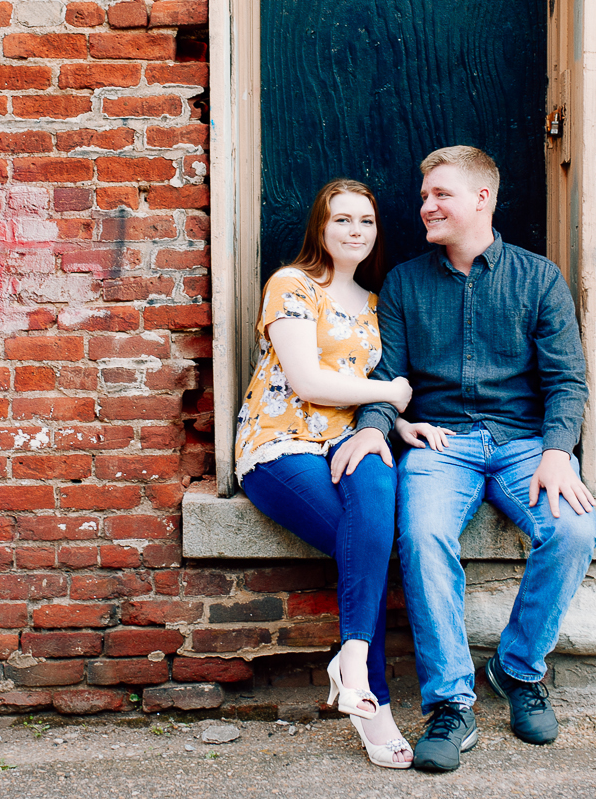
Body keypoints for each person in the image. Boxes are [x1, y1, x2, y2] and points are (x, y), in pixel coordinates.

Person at [342, 145, 596, 773]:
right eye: (425, 195)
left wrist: (558, 452)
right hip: (440, 442)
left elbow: (568, 381)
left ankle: (517, 670)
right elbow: (390, 375)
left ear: (481, 199)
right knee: (423, 535)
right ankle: (451, 705)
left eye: (441, 195)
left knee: (573, 529)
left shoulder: (538, 278)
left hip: (523, 443)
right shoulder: (404, 282)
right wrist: (376, 427)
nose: (426, 206)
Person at [234, 179, 416, 769]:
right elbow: (309, 382)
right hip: (281, 447)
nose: (355, 231)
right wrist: (390, 391)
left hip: (346, 442)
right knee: (364, 540)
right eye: (341, 220)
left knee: (379, 489)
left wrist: (394, 420)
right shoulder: (292, 285)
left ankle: (352, 660)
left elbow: (365, 403)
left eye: (366, 221)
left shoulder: (376, 302)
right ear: (320, 226)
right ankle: (374, 705)